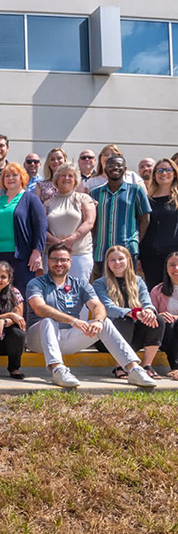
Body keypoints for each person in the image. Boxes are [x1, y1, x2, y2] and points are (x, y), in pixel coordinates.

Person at [26, 244, 156, 389]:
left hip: (68, 337)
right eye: (54, 259)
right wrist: (73, 321)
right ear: (48, 261)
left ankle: (134, 369)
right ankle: (58, 370)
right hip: (38, 339)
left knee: (104, 322)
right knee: (48, 321)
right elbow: (39, 308)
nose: (59, 264)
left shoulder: (80, 284)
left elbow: (97, 306)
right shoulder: (36, 283)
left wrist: (98, 321)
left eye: (63, 260)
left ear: (70, 262)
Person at [93, 246, 164, 379]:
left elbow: (146, 301)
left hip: (133, 337)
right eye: (112, 260)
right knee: (124, 320)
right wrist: (133, 313)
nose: (117, 263)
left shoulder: (138, 281)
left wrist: (148, 310)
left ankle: (147, 365)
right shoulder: (99, 284)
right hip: (108, 338)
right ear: (107, 263)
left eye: (121, 259)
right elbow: (107, 308)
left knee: (157, 319)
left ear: (129, 261)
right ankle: (120, 366)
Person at [0, 162, 46, 297]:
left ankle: (21, 319)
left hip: (21, 256)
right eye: (7, 176)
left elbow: (41, 225)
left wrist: (37, 251)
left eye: (14, 175)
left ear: (22, 178)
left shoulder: (30, 199)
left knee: (21, 293)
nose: (10, 178)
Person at [90, 153, 150, 278]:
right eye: (111, 165)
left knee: (127, 287)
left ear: (125, 169)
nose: (115, 168)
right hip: (102, 250)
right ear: (105, 169)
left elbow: (145, 219)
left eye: (119, 165)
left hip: (127, 249)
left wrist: (136, 240)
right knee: (103, 288)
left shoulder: (136, 190)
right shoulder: (95, 193)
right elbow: (92, 222)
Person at [44, 163, 95, 282]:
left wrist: (71, 239)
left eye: (70, 176)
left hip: (79, 254)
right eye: (63, 175)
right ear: (57, 179)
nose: (67, 178)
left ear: (76, 180)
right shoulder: (48, 203)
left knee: (79, 292)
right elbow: (41, 228)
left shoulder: (84, 199)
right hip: (53, 255)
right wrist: (56, 242)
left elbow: (89, 222)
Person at [140, 157, 178, 290]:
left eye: (168, 170)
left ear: (174, 173)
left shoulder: (177, 199)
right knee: (155, 291)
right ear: (154, 174)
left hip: (174, 255)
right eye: (160, 170)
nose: (164, 173)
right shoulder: (147, 199)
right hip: (150, 255)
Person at [150, 252, 178, 380]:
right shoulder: (157, 290)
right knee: (168, 323)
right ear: (166, 268)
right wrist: (160, 315)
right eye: (172, 265)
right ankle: (175, 367)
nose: (176, 269)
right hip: (167, 334)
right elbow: (150, 312)